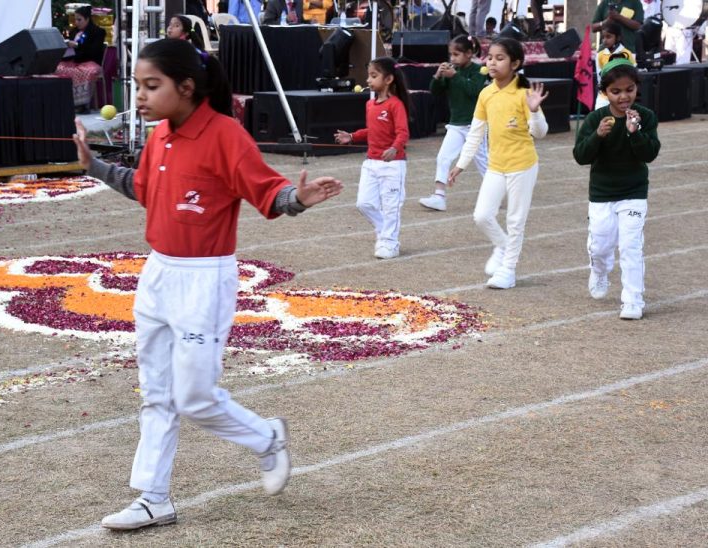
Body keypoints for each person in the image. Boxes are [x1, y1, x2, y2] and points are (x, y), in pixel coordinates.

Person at [71, 39, 343, 530]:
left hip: (204, 279)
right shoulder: (160, 136)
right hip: (157, 275)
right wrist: (94, 166)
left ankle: (267, 439)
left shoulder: (226, 135)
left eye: (152, 85)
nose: (140, 96)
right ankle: (154, 498)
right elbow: (142, 188)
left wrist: (297, 199)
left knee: (195, 397)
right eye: (138, 85)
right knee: (156, 392)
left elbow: (269, 192)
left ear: (186, 87)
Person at [448, 38, 549, 289]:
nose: (492, 62)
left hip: (522, 165)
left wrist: (534, 111)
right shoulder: (486, 93)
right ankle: (503, 246)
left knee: (515, 220)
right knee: (481, 216)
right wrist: (460, 164)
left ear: (515, 63)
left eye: (500, 58)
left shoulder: (525, 94)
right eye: (490, 57)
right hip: (496, 166)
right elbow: (476, 133)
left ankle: (508, 270)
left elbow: (540, 133)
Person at [573, 57, 660, 320]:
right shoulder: (596, 119)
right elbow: (581, 156)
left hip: (633, 193)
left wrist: (635, 132)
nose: (624, 96)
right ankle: (599, 271)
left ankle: (633, 300)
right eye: (616, 91)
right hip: (602, 194)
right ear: (605, 92)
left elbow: (649, 154)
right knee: (600, 247)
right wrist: (597, 135)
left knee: (631, 246)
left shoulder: (645, 116)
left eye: (629, 89)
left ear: (636, 88)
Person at [333, 58, 410, 260]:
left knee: (391, 206)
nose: (368, 80)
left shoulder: (396, 105)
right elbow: (372, 130)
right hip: (371, 163)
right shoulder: (370, 104)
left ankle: (390, 243)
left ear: (388, 79)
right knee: (364, 203)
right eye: (369, 76)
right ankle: (385, 232)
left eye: (374, 76)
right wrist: (352, 136)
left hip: (393, 165)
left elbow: (403, 132)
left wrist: (394, 148)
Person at [419, 35, 488, 212]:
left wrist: (455, 76)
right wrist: (438, 76)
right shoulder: (452, 71)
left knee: (483, 162)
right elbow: (435, 91)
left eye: (456, 54)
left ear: (469, 53)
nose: (452, 58)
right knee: (443, 157)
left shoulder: (479, 71)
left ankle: (494, 193)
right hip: (456, 124)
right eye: (451, 54)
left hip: (475, 125)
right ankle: (439, 196)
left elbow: (474, 91)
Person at [55, 5, 106, 113]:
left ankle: (82, 104)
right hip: (74, 61)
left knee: (86, 71)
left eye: (79, 20)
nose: (77, 22)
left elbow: (94, 51)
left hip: (91, 61)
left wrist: (78, 45)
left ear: (87, 19)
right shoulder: (74, 32)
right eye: (75, 20)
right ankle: (64, 101)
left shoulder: (98, 32)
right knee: (57, 67)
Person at [595, 21, 634, 109]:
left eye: (608, 37)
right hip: (603, 98)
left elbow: (632, 77)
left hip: (622, 98)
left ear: (618, 37)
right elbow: (599, 77)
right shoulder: (600, 55)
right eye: (603, 37)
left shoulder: (627, 54)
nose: (605, 40)